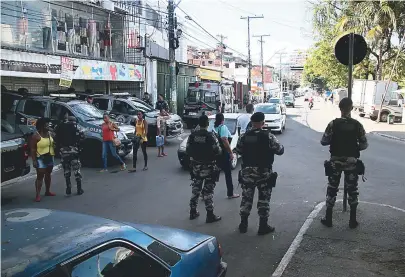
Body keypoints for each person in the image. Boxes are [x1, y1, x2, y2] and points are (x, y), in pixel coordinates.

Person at [320, 97, 368, 229]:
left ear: (340, 108)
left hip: (335, 162)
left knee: (332, 189)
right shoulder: (357, 125)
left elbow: (323, 141)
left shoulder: (333, 124)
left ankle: (328, 219)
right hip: (351, 163)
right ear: (351, 108)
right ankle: (352, 220)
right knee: (353, 190)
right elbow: (364, 144)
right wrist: (354, 148)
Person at [235, 112, 284, 235]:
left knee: (246, 198)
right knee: (264, 199)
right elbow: (280, 150)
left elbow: (239, 150)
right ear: (263, 123)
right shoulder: (268, 136)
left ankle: (243, 224)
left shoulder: (244, 136)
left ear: (252, 123)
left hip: (247, 173)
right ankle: (263, 226)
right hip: (264, 173)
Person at [187, 115, 222, 223]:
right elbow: (217, 150)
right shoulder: (210, 136)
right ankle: (210, 215)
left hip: (196, 167)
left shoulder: (192, 136)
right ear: (207, 124)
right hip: (209, 167)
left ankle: (193, 211)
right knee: (208, 191)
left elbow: (188, 150)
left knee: (195, 189)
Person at [55, 115, 84, 195]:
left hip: (64, 152)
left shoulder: (60, 127)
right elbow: (81, 138)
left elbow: (56, 138)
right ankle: (79, 189)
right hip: (74, 152)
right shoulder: (76, 128)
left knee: (66, 170)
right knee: (76, 170)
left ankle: (68, 187)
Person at [213, 113, 240, 199]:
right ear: (222, 120)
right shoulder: (223, 127)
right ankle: (230, 193)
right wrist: (231, 153)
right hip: (223, 154)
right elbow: (224, 140)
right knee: (228, 174)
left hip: (216, 153)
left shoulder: (214, 127)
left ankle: (205, 192)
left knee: (213, 173)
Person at [30, 117, 56, 202]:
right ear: (41, 126)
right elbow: (33, 149)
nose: (48, 126)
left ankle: (47, 191)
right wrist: (34, 160)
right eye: (46, 125)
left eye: (48, 124)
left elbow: (54, 143)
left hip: (50, 157)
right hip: (40, 158)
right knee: (40, 176)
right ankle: (37, 195)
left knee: (48, 174)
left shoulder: (50, 134)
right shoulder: (36, 136)